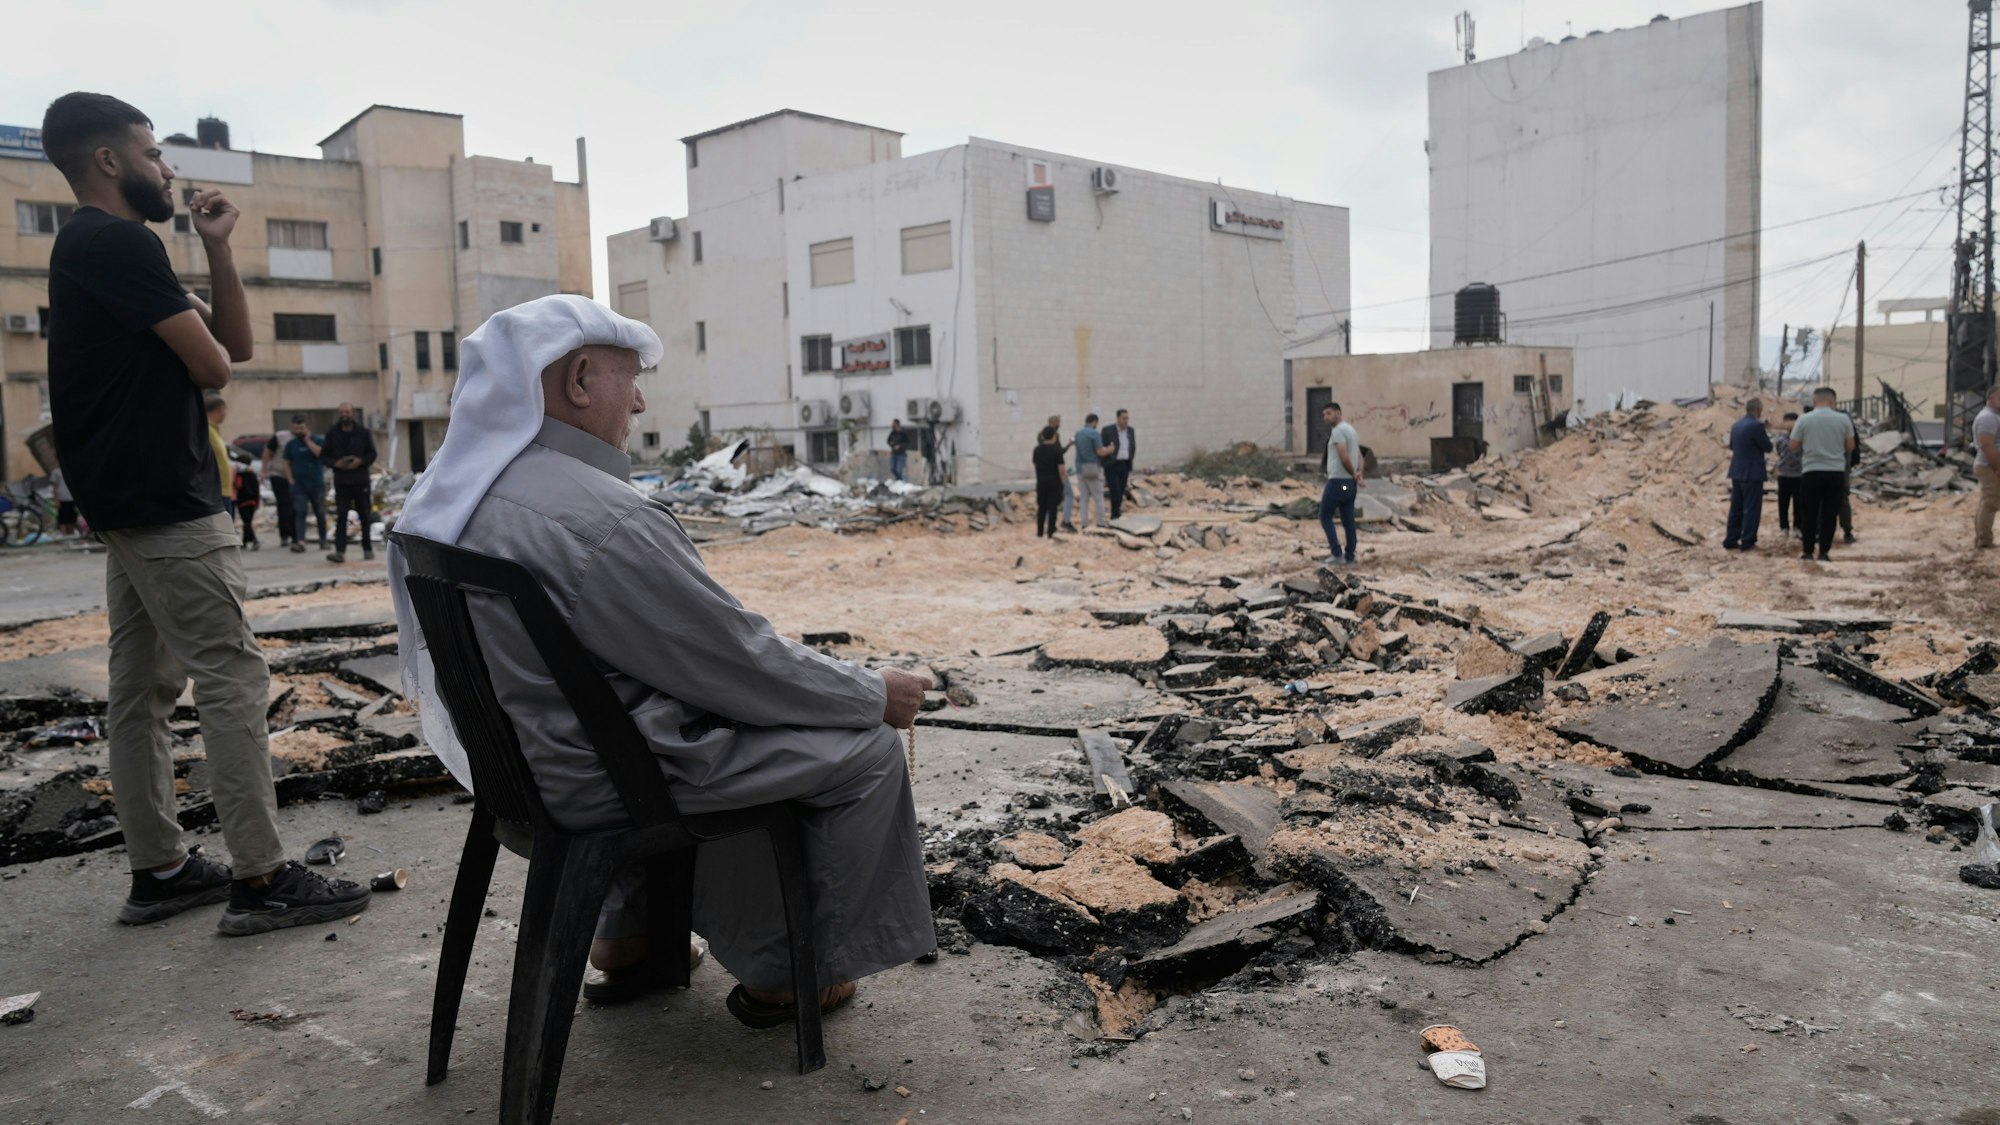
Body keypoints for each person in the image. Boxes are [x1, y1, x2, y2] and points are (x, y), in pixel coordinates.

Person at [388, 294, 934, 1018]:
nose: (641, 401)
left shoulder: (450, 499)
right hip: (603, 785)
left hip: (519, 776)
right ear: (579, 380)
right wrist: (873, 692)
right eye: (633, 377)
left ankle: (627, 935)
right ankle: (790, 971)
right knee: (863, 751)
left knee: (637, 716)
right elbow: (739, 664)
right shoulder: (601, 515)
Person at [41, 91, 368, 933]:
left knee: (141, 688)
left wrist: (219, 247)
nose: (166, 168)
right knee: (231, 675)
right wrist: (206, 335)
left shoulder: (96, 247)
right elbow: (217, 369)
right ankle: (261, 876)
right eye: (153, 153)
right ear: (109, 160)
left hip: (128, 502)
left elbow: (235, 345)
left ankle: (160, 869)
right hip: (165, 498)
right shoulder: (117, 242)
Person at [1789, 387, 1857, 563]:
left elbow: (1793, 445)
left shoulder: (1804, 419)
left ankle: (1808, 551)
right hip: (1835, 472)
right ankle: (1824, 552)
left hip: (1811, 471)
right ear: (1833, 401)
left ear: (1814, 401)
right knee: (1829, 514)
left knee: (1809, 512)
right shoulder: (1843, 419)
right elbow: (1850, 446)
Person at [320, 402, 377, 563]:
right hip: (342, 481)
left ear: (353, 413)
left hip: (360, 480)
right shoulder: (332, 433)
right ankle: (340, 551)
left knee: (365, 515)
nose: (344, 415)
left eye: (347, 412)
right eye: (341, 412)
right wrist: (335, 463)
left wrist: (361, 461)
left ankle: (367, 548)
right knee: (341, 516)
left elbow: (372, 454)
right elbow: (323, 456)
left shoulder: (363, 433)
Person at [1723, 398, 1772, 551]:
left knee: (1736, 507)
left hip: (1737, 471)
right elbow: (1768, 447)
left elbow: (1732, 446)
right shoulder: (1757, 426)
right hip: (1753, 473)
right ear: (1758, 409)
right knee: (1751, 508)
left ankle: (1731, 539)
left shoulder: (1736, 425)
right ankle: (1748, 540)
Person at [1318, 402, 1362, 566]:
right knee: (1348, 519)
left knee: (1324, 515)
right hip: (1349, 484)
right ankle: (1350, 556)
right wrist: (1358, 474)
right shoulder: (1352, 430)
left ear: (1338, 413)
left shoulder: (1338, 431)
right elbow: (1360, 456)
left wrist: (1353, 473)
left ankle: (1337, 554)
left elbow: (1344, 456)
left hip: (1338, 482)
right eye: (1324, 414)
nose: (1326, 417)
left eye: (1329, 413)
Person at [281, 415, 328, 551]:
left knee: (320, 512)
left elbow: (321, 454)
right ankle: (301, 541)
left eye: (301, 428)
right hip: (299, 486)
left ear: (307, 427)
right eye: (296, 429)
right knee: (300, 512)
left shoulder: (318, 440)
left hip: (316, 484)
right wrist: (290, 480)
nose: (299, 431)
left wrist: (308, 441)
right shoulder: (291, 444)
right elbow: (286, 463)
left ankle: (323, 540)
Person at [1975, 385, 2000, 549]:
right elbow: (1987, 446)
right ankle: (1984, 540)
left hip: (1990, 465)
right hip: (1988, 465)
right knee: (1990, 503)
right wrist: (1998, 466)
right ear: (1991, 399)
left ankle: (1982, 538)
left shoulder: (1994, 416)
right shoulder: (1988, 418)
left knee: (1987, 501)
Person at [1073, 412, 1108, 528]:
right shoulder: (1094, 433)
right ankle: (1100, 522)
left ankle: (1084, 523)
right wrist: (1109, 450)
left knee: (1084, 498)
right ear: (1095, 422)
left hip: (1080, 469)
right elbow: (1100, 451)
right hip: (1092, 468)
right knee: (1098, 497)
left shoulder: (1078, 434)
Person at [1101, 408, 1136, 520]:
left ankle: (1117, 512)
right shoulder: (1108, 430)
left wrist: (1130, 458)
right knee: (1114, 489)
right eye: (1123, 418)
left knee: (1121, 490)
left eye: (1127, 418)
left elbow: (1132, 446)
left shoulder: (1130, 431)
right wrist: (1105, 462)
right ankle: (1114, 514)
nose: (1126, 421)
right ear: (1118, 418)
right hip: (1112, 464)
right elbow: (1101, 447)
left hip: (1125, 464)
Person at [262, 431, 294, 549]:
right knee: (284, 505)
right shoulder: (280, 437)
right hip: (278, 475)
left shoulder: (305, 437)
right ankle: (285, 535)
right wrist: (264, 470)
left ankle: (296, 535)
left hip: (296, 477)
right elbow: (267, 452)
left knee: (295, 507)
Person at [1032, 425, 1066, 539]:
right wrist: (1063, 483)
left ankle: (1040, 532)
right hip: (1054, 482)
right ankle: (1051, 532)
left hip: (1041, 481)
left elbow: (1035, 465)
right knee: (1052, 507)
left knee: (1042, 507)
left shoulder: (1037, 450)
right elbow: (1061, 469)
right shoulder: (1057, 451)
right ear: (1054, 436)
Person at [1046, 414, 1078, 532]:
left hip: (1046, 473)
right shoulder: (1055, 438)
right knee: (1069, 494)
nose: (1059, 424)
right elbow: (1060, 454)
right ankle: (1065, 521)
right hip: (1057, 472)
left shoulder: (1040, 442)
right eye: (1058, 422)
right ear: (1053, 422)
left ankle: (1049, 524)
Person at [1774, 412, 1803, 539]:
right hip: (1784, 474)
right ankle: (1784, 527)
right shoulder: (1780, 439)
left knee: (1799, 503)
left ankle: (1798, 527)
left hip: (1799, 475)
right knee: (1783, 502)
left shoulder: (1802, 438)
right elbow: (1779, 451)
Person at [204, 392, 234, 516]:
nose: (225, 414)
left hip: (224, 492)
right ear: (220, 409)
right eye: (224, 410)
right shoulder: (207, 431)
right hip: (216, 493)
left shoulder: (215, 432)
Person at [234, 458, 260, 550]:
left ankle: (255, 540)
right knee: (248, 521)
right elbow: (257, 489)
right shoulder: (253, 474)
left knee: (246, 522)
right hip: (253, 501)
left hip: (243, 501)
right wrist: (257, 502)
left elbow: (238, 486)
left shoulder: (239, 475)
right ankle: (244, 542)